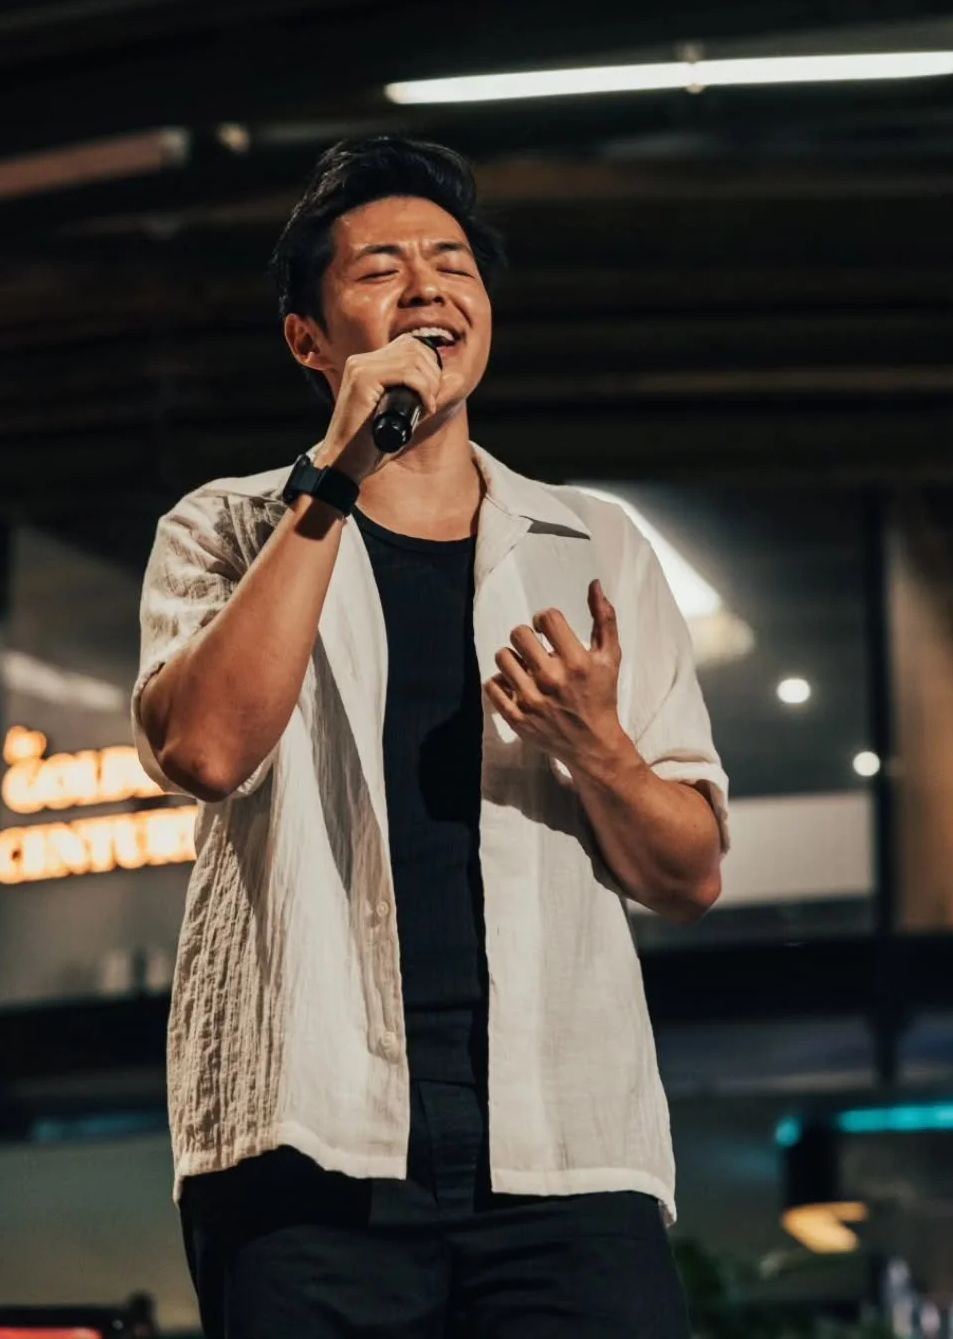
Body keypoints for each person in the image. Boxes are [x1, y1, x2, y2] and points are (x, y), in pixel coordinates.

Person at [132, 138, 729, 1338]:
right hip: (307, 1146)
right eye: (380, 270)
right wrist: (336, 474)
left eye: (453, 264)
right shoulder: (227, 529)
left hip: (568, 1152)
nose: (427, 289)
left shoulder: (591, 546)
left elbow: (690, 873)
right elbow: (203, 748)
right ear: (309, 340)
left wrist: (596, 743)